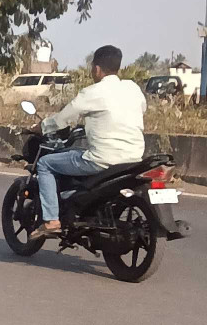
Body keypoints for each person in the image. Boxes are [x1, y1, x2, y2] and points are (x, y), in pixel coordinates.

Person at [35, 45, 147, 234]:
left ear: (96, 69)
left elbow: (62, 119)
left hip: (102, 160)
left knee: (45, 164)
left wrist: (40, 127)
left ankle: (52, 220)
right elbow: (140, 109)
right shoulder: (132, 88)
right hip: (133, 159)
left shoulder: (92, 92)